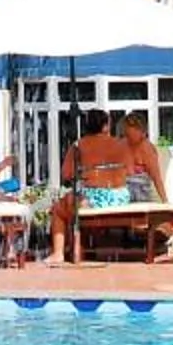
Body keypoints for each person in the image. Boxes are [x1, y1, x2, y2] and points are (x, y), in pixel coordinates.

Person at [53, 110, 137, 259]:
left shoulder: (79, 145)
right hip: (119, 197)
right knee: (77, 201)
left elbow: (66, 174)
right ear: (105, 126)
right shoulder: (120, 144)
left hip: (93, 199)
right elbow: (130, 171)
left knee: (59, 209)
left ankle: (59, 253)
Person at [117, 116, 170, 203]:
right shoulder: (120, 145)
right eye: (127, 132)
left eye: (132, 131)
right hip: (122, 191)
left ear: (141, 131)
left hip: (141, 192)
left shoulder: (147, 149)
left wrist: (165, 201)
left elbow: (156, 177)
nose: (128, 134)